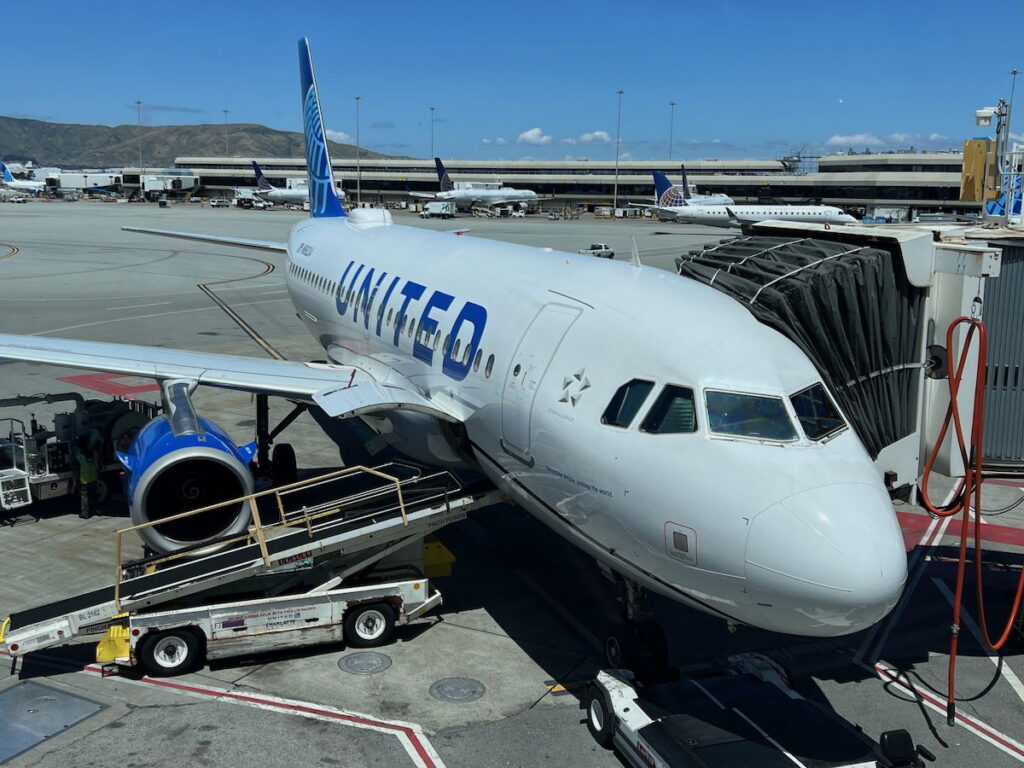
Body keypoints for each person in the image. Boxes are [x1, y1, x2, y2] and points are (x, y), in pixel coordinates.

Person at [74, 432, 101, 519]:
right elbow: (98, 465)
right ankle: (97, 510)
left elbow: (77, 470)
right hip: (94, 477)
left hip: (84, 479)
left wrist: (76, 480)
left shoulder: (79, 457)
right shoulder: (94, 453)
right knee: (94, 494)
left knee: (84, 496)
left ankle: (85, 513)